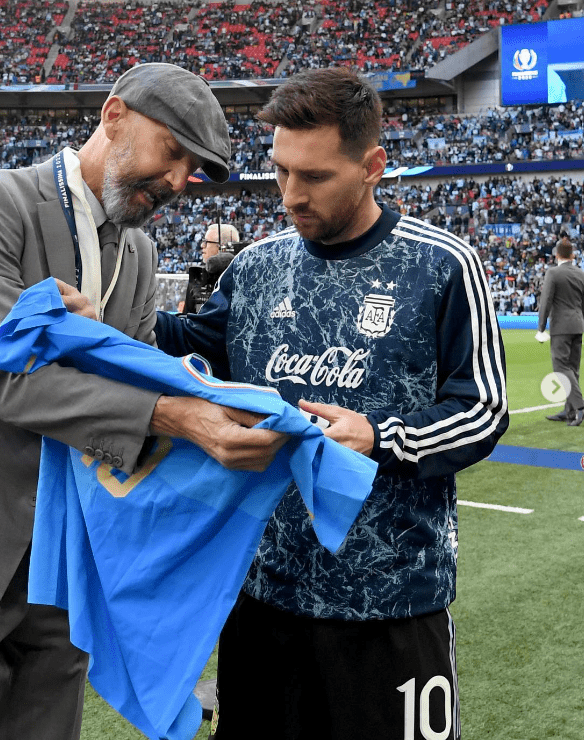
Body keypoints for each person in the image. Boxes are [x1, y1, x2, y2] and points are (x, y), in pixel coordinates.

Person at [0, 63, 286, 740]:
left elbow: (138, 378)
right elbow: (4, 377)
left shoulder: (140, 253)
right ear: (114, 116)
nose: (178, 180)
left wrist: (245, 414)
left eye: (193, 169)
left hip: (67, 566)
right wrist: (175, 416)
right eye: (173, 151)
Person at [154, 68, 509, 739]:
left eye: (314, 176)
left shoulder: (442, 265)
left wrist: (381, 438)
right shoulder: (255, 267)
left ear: (373, 166)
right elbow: (187, 348)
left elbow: (484, 410)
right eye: (281, 171)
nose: (291, 194)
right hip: (263, 599)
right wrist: (107, 312)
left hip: (392, 603)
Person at [538, 236, 584, 426]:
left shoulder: (553, 273)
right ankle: (569, 410)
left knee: (561, 367)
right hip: (578, 326)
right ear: (572, 255)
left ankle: (579, 407)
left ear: (556, 255)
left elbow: (546, 301)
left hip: (561, 327)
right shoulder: (581, 273)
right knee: (573, 368)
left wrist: (541, 328)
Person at [181, 221, 240, 313]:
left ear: (222, 247)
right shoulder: (199, 277)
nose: (202, 245)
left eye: (206, 242)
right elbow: (188, 316)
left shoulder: (241, 277)